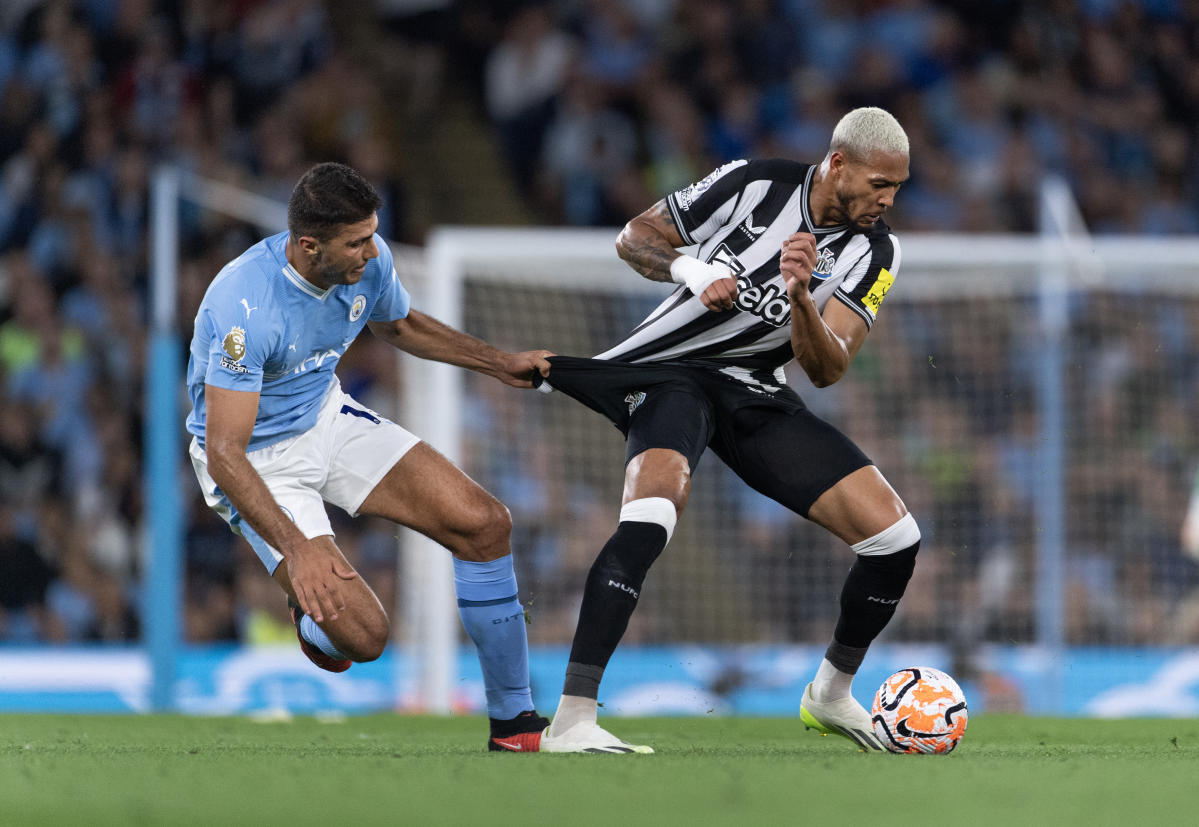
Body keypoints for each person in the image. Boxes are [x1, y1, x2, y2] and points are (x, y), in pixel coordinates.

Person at [535, 107, 915, 753]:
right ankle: (571, 718)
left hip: (752, 387)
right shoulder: (754, 183)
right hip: (667, 372)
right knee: (653, 512)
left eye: (896, 188)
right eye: (878, 184)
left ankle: (828, 695)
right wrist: (695, 271)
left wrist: (799, 297)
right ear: (838, 164)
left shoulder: (876, 250)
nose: (886, 200)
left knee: (894, 538)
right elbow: (635, 235)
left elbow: (827, 369)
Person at [185, 162, 552, 752]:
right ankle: (313, 624)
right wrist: (298, 550)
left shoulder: (369, 262)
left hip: (326, 417)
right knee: (365, 635)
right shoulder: (242, 305)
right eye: (356, 242)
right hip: (255, 459)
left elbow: (400, 325)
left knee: (485, 524)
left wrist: (497, 361)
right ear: (309, 246)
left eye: (372, 234)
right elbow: (226, 453)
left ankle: (515, 727)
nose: (371, 250)